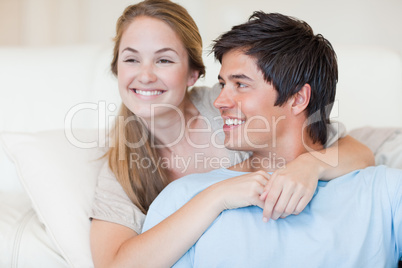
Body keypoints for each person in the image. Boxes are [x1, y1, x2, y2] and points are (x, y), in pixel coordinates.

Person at [89, 1, 374, 267]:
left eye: (164, 60)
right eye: (131, 60)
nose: (146, 75)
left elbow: (355, 150)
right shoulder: (121, 166)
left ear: (193, 74)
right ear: (116, 70)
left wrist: (309, 165)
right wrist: (215, 196)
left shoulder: (227, 106)